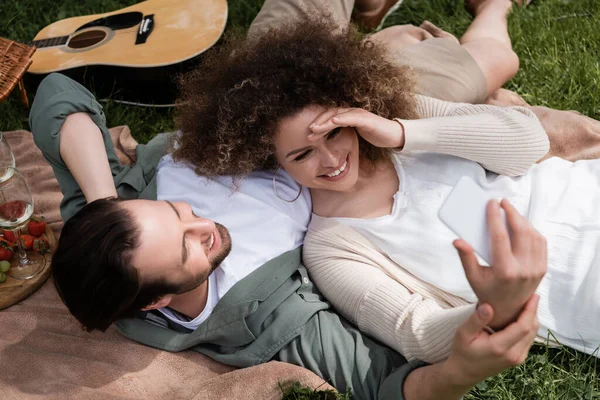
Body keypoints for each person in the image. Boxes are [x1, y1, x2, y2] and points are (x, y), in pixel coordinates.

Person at [29, 2, 547, 399]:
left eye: (174, 212)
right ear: (157, 301)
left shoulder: (110, 232)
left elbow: (57, 93)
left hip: (256, 93)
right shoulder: (259, 321)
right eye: (188, 248)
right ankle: (494, 6)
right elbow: (382, 382)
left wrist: (105, 203)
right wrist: (465, 362)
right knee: (490, 61)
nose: (200, 223)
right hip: (345, 138)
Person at [172, 2, 600, 363]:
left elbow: (529, 141)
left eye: (334, 133)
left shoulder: (398, 124)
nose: (331, 159)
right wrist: (495, 307)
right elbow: (416, 332)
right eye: (301, 155)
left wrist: (404, 133)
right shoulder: (332, 248)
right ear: (273, 163)